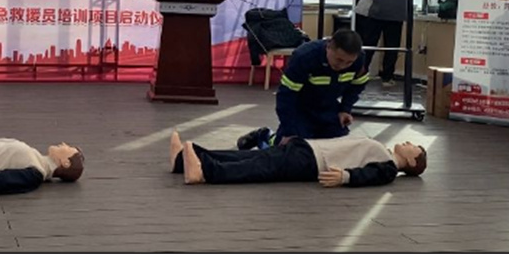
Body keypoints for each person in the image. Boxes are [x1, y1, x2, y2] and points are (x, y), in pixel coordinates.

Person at [236, 29, 369, 150]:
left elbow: (357, 85)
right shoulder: (304, 57)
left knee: (337, 148)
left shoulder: (359, 60)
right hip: (300, 108)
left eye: (349, 62)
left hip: (328, 107)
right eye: (339, 60)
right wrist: (289, 131)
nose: (343, 66)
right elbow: (286, 96)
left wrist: (345, 109)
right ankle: (265, 136)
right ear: (328, 46)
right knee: (292, 149)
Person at [170, 131, 426, 187]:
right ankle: (186, 158)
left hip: (312, 162)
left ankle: (205, 172)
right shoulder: (383, 150)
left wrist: (346, 177)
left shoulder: (388, 167)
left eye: (414, 147)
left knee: (259, 166)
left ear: (413, 162)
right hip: (309, 149)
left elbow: (372, 176)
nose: (408, 143)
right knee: (251, 156)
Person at [354, 0, 409, 87]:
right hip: (396, 13)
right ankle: (387, 77)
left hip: (375, 12)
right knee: (392, 47)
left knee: (368, 46)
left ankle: (359, 74)